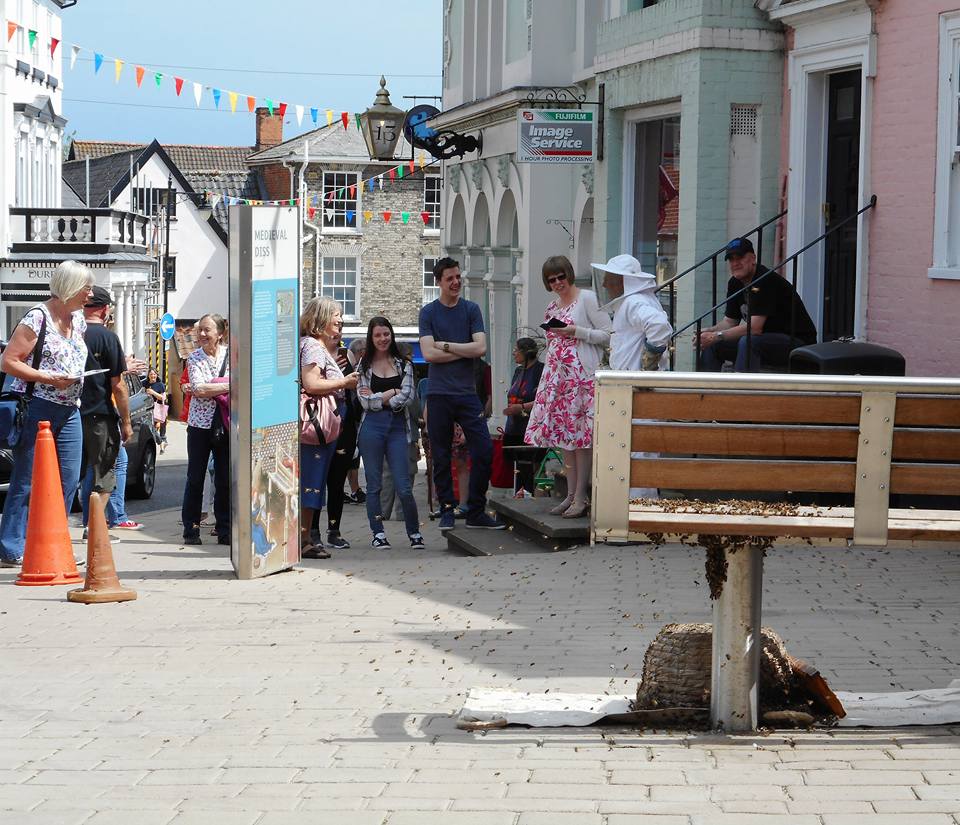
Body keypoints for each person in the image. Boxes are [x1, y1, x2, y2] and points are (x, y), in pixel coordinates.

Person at [0, 261, 93, 567]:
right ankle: (12, 547)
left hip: (70, 408)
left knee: (67, 479)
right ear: (69, 288)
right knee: (27, 479)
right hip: (38, 406)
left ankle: (52, 542)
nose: (90, 294)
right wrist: (47, 378)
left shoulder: (78, 320)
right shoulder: (36, 318)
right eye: (86, 287)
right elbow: (9, 362)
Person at [418, 257, 505, 532]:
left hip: (467, 394)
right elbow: (429, 354)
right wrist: (460, 348)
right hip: (439, 393)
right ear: (439, 282)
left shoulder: (471, 310)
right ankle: (446, 509)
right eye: (450, 279)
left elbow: (480, 349)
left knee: (483, 450)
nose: (456, 282)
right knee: (441, 455)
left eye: (458, 277)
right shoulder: (429, 313)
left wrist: (445, 345)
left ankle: (475, 510)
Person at [524, 255, 612, 519]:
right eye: (552, 280)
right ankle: (571, 494)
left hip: (581, 378)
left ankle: (582, 497)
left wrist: (577, 331)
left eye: (561, 277)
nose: (558, 283)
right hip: (559, 380)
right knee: (566, 440)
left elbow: (608, 334)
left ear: (569, 274)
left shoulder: (586, 298)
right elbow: (552, 345)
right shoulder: (552, 308)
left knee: (582, 439)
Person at [697, 237, 817, 372]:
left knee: (747, 341)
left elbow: (755, 328)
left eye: (740, 257)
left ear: (753, 258)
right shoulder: (735, 283)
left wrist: (717, 336)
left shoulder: (765, 279)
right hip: (766, 341)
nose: (735, 263)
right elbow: (730, 322)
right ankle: (705, 391)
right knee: (713, 345)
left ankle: (743, 390)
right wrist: (709, 332)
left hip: (797, 342)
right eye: (731, 259)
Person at [356, 317, 424, 549]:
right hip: (371, 429)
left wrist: (381, 398)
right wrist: (389, 393)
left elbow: (407, 396)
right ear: (371, 338)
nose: (383, 339)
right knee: (374, 486)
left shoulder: (403, 364)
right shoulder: (363, 367)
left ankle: (414, 533)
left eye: (386, 334)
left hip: (397, 427)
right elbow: (365, 402)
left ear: (391, 335)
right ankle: (378, 533)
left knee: (404, 486)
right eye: (378, 335)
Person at [299, 297, 358, 559]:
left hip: (323, 426)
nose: (340, 320)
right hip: (317, 428)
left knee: (314, 482)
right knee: (312, 482)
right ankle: (303, 541)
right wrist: (344, 383)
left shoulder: (314, 346)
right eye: (336, 315)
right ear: (321, 319)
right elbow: (311, 384)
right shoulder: (313, 347)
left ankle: (305, 538)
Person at [77, 286, 137, 533]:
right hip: (100, 414)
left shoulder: (72, 333)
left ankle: (73, 524)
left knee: (74, 474)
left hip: (70, 413)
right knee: (105, 473)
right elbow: (118, 385)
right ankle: (94, 528)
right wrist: (126, 421)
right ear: (104, 309)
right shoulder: (108, 338)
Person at [180, 314, 230, 546]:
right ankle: (191, 529)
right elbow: (197, 389)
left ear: (219, 333)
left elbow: (201, 387)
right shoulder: (194, 358)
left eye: (206, 330)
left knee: (224, 478)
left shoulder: (231, 355)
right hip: (199, 425)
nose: (201, 334)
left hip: (225, 422)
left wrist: (209, 387)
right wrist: (228, 385)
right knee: (195, 477)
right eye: (200, 330)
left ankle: (225, 529)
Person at [594, 254, 673, 371]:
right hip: (628, 380)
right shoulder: (633, 301)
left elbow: (659, 325)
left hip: (634, 382)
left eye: (609, 279)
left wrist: (649, 364)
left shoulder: (633, 301)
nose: (604, 284)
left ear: (623, 281)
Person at [501, 337, 544, 496]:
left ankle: (533, 496)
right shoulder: (518, 371)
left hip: (531, 426)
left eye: (516, 350)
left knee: (532, 466)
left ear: (526, 353)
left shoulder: (540, 370)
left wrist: (523, 407)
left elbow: (544, 399)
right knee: (518, 467)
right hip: (514, 427)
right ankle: (519, 495)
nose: (514, 353)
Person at [344, 337, 367, 505]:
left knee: (353, 455)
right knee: (351, 454)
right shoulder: (349, 366)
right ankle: (354, 489)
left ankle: (354, 489)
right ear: (362, 352)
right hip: (349, 418)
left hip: (352, 417)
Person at [145, 367, 168, 453]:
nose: (152, 376)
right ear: (148, 375)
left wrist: (153, 392)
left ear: (156, 375)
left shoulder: (160, 385)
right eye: (151, 374)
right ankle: (161, 442)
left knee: (154, 427)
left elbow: (163, 398)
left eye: (154, 374)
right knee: (150, 428)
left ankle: (161, 442)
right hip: (147, 408)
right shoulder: (144, 383)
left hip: (157, 409)